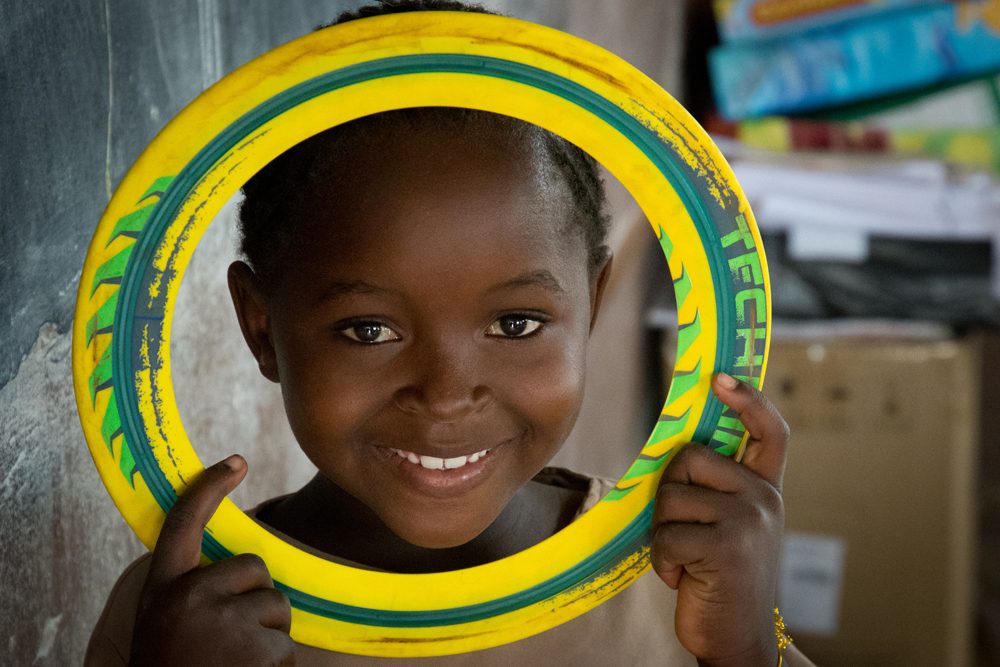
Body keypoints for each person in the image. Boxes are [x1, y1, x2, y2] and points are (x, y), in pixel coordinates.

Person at [87, 2, 815, 665]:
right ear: (261, 326)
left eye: (516, 323)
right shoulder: (182, 615)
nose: (444, 393)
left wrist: (748, 649)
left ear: (590, 306)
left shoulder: (684, 580)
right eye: (368, 329)